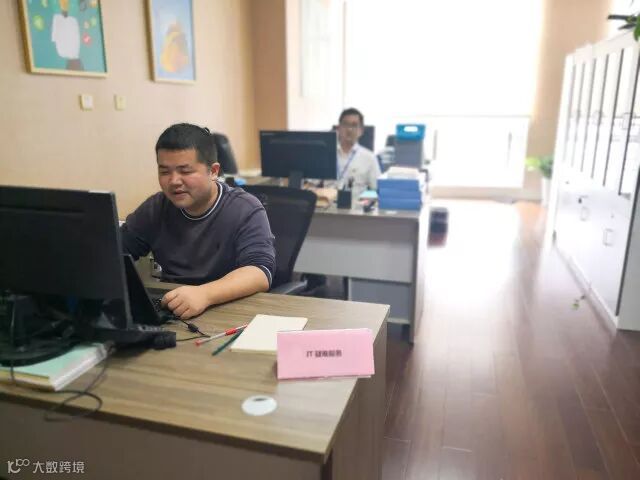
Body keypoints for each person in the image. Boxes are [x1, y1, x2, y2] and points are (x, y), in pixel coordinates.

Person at [120, 123, 275, 320]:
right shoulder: (156, 208)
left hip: (230, 311)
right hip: (175, 310)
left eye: (185, 171)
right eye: (165, 172)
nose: (174, 181)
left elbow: (259, 272)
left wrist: (205, 294)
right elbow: (116, 250)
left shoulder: (244, 208)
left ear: (213, 171)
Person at [335, 107, 381, 196]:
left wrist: (361, 202)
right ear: (338, 128)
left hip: (356, 203)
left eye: (354, 125)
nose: (349, 129)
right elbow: (311, 184)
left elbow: (376, 191)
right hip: (326, 204)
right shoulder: (327, 154)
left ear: (361, 131)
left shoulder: (369, 158)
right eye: (345, 124)